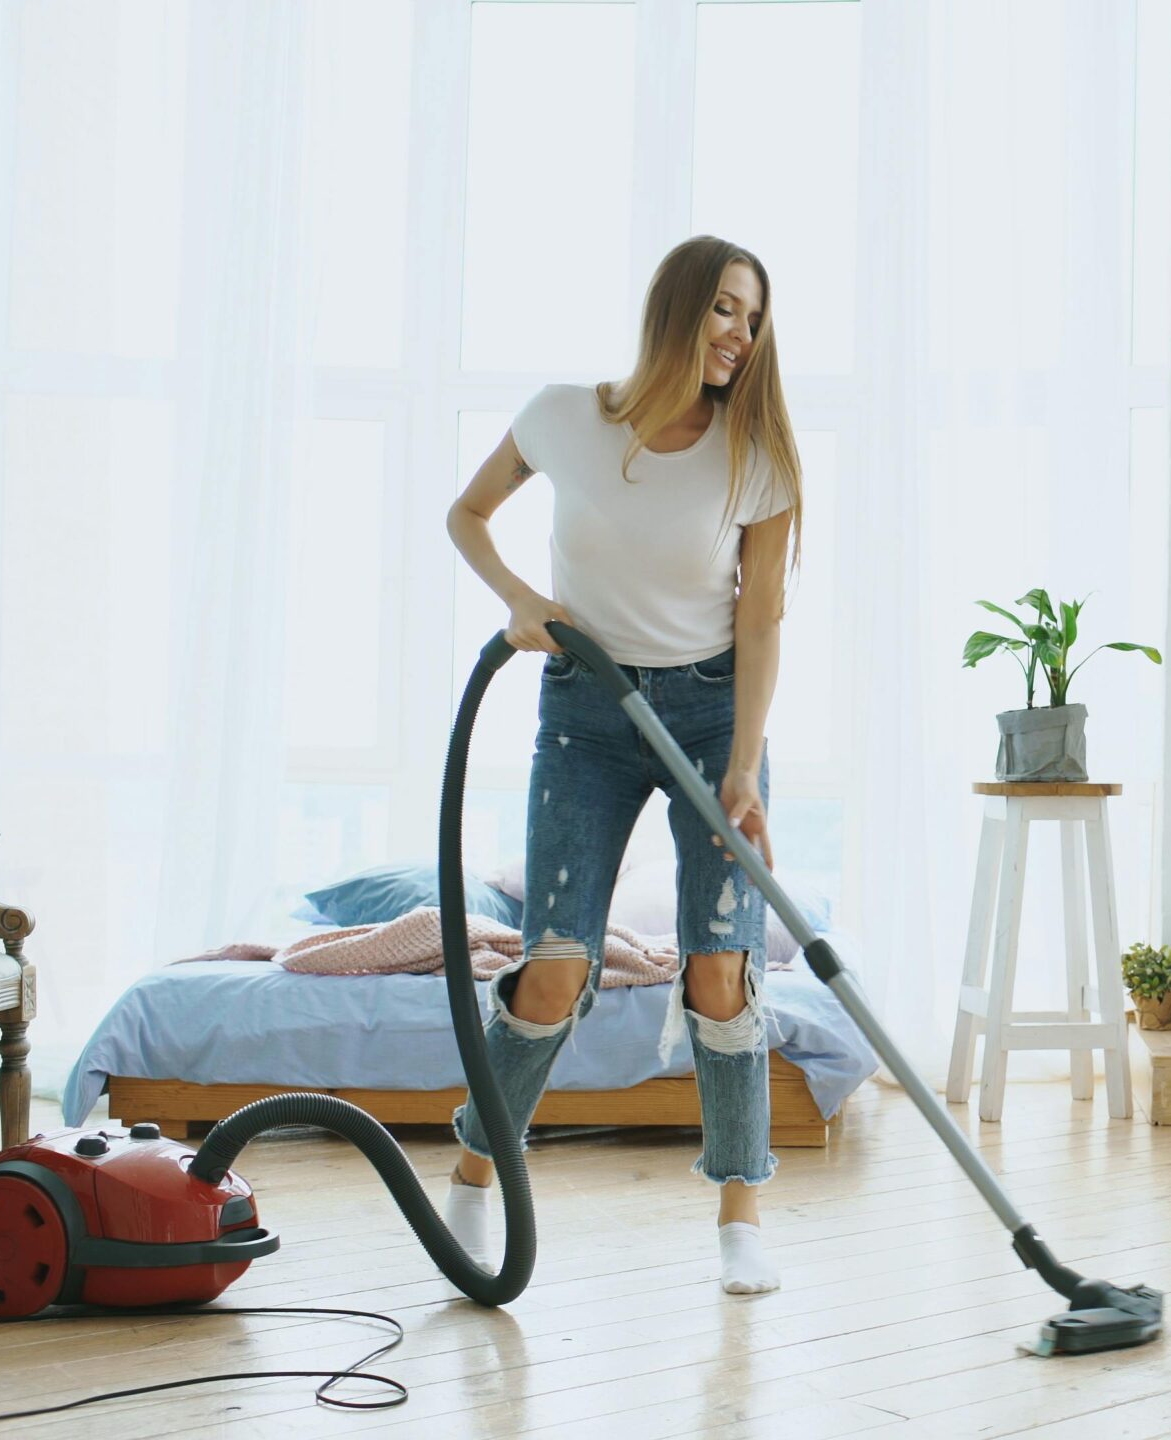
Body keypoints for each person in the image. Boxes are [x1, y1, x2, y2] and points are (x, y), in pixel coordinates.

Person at [442, 234, 803, 1295]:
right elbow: (466, 515)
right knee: (555, 966)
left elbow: (765, 618)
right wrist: (518, 598)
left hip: (709, 716)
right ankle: (474, 1173)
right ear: (678, 307)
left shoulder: (757, 452)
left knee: (721, 968)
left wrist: (742, 764)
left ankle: (741, 1210)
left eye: (754, 318)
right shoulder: (563, 415)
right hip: (586, 713)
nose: (741, 335)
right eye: (727, 310)